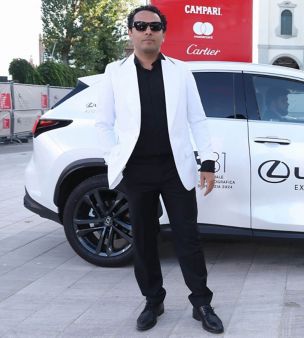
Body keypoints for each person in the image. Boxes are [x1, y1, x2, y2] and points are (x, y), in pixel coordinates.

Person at [95, 5, 224, 334]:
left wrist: (207, 161)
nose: (147, 31)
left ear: (164, 33)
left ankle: (201, 302)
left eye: (154, 26)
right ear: (131, 32)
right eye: (140, 25)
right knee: (144, 239)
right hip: (136, 171)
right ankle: (153, 300)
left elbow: (198, 119)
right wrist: (116, 160)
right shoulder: (115, 72)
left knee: (188, 238)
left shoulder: (181, 71)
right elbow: (103, 124)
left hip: (174, 168)